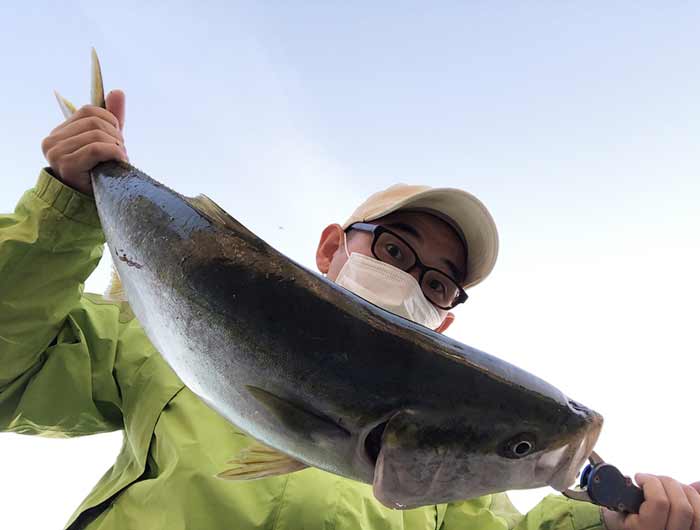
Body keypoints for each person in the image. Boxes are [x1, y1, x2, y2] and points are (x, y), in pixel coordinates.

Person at [1, 89, 698, 530]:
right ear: (333, 246)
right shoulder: (151, 327)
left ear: (447, 321)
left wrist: (611, 528)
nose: (415, 284)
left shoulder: (455, 490)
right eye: (396, 251)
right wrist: (67, 206)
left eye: (440, 284)